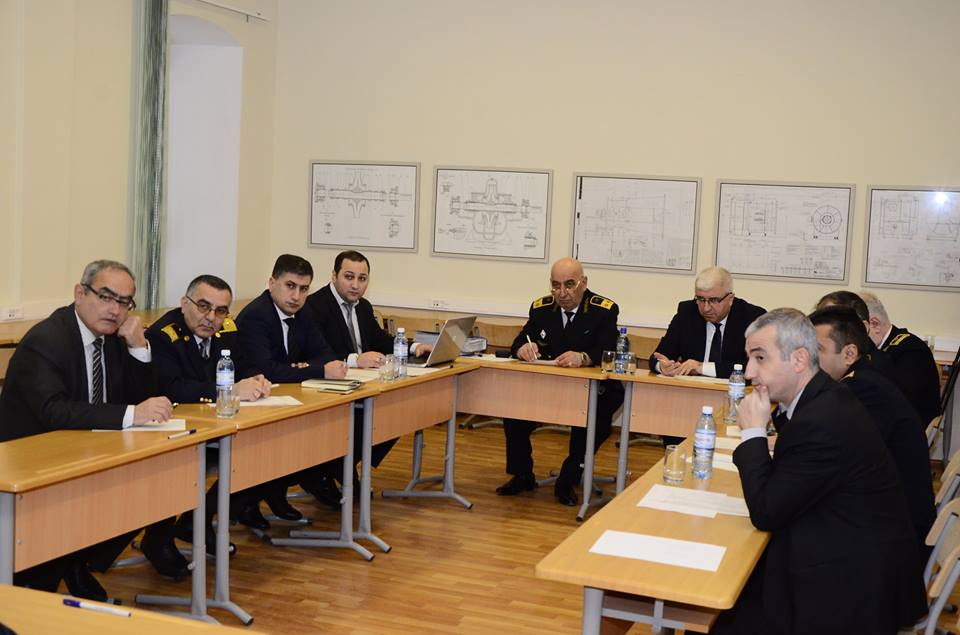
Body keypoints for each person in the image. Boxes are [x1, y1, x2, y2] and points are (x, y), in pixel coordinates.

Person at [717, 308, 926, 634]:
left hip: (850, 584)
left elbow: (766, 511)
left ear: (799, 360)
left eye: (760, 358)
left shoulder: (821, 420)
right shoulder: (823, 397)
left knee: (727, 606)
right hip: (845, 550)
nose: (749, 372)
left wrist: (754, 433)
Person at [0, 260, 185, 600]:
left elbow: (139, 401)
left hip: (84, 450)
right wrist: (133, 413)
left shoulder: (111, 338)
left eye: (124, 302)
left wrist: (138, 347)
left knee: (151, 486)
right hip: (31, 461)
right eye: (106, 297)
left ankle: (76, 561)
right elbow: (54, 411)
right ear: (80, 293)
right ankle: (52, 571)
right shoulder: (45, 340)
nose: (115, 310)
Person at [144, 274, 273, 552]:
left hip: (215, 425)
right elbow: (172, 388)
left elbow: (244, 364)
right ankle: (159, 539)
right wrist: (230, 390)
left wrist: (257, 379)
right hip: (173, 429)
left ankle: (198, 519)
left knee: (261, 452)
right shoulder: (162, 335)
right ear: (185, 303)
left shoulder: (227, 330)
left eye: (220, 310)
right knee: (187, 467)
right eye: (203, 306)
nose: (211, 317)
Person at [304, 250, 433, 506]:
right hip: (328, 386)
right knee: (368, 417)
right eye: (349, 277)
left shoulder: (363, 307)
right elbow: (316, 351)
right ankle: (328, 471)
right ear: (334, 276)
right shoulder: (314, 306)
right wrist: (354, 359)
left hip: (361, 384)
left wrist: (413, 346)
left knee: (398, 412)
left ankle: (342, 465)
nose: (355, 285)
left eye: (362, 279)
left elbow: (379, 339)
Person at [495, 257, 623, 507]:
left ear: (584, 283)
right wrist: (522, 348)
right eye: (556, 285)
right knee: (514, 413)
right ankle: (522, 475)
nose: (562, 293)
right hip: (550, 387)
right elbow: (519, 341)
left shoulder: (603, 311)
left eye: (569, 285)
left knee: (594, 421)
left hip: (593, 390)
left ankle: (568, 478)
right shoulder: (541, 309)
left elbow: (610, 350)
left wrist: (584, 357)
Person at [809, 306, 936, 553]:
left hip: (893, 537)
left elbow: (824, 454)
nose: (808, 359)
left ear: (849, 354)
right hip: (887, 515)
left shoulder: (861, 388)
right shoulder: (867, 373)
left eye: (818, 350)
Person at [234, 254, 345, 525]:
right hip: (250, 405)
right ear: (272, 283)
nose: (296, 296)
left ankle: (276, 492)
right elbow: (268, 370)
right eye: (290, 286)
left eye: (304, 289)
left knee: (321, 430)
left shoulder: (303, 313)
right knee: (293, 438)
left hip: (285, 399)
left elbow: (325, 354)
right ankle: (247, 502)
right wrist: (314, 370)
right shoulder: (256, 316)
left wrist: (303, 367)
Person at [650, 266, 765, 445]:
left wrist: (701, 367)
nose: (706, 307)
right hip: (688, 404)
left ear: (730, 298)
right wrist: (663, 366)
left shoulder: (752, 317)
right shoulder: (686, 313)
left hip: (734, 406)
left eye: (714, 300)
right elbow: (657, 356)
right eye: (700, 299)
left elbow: (755, 368)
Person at [860, 290, 942, 426]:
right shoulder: (890, 347)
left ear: (874, 324)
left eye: (855, 330)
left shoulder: (911, 350)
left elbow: (897, 404)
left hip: (906, 429)